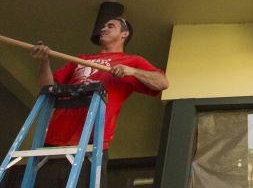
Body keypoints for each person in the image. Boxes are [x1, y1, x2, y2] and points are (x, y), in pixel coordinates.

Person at [28, 17, 169, 187]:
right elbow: (47, 90)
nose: (103, 29)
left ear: (125, 34)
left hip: (91, 146)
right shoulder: (80, 60)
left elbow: (162, 82)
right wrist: (44, 62)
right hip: (53, 142)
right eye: (103, 26)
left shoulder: (131, 61)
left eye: (110, 26)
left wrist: (131, 71)